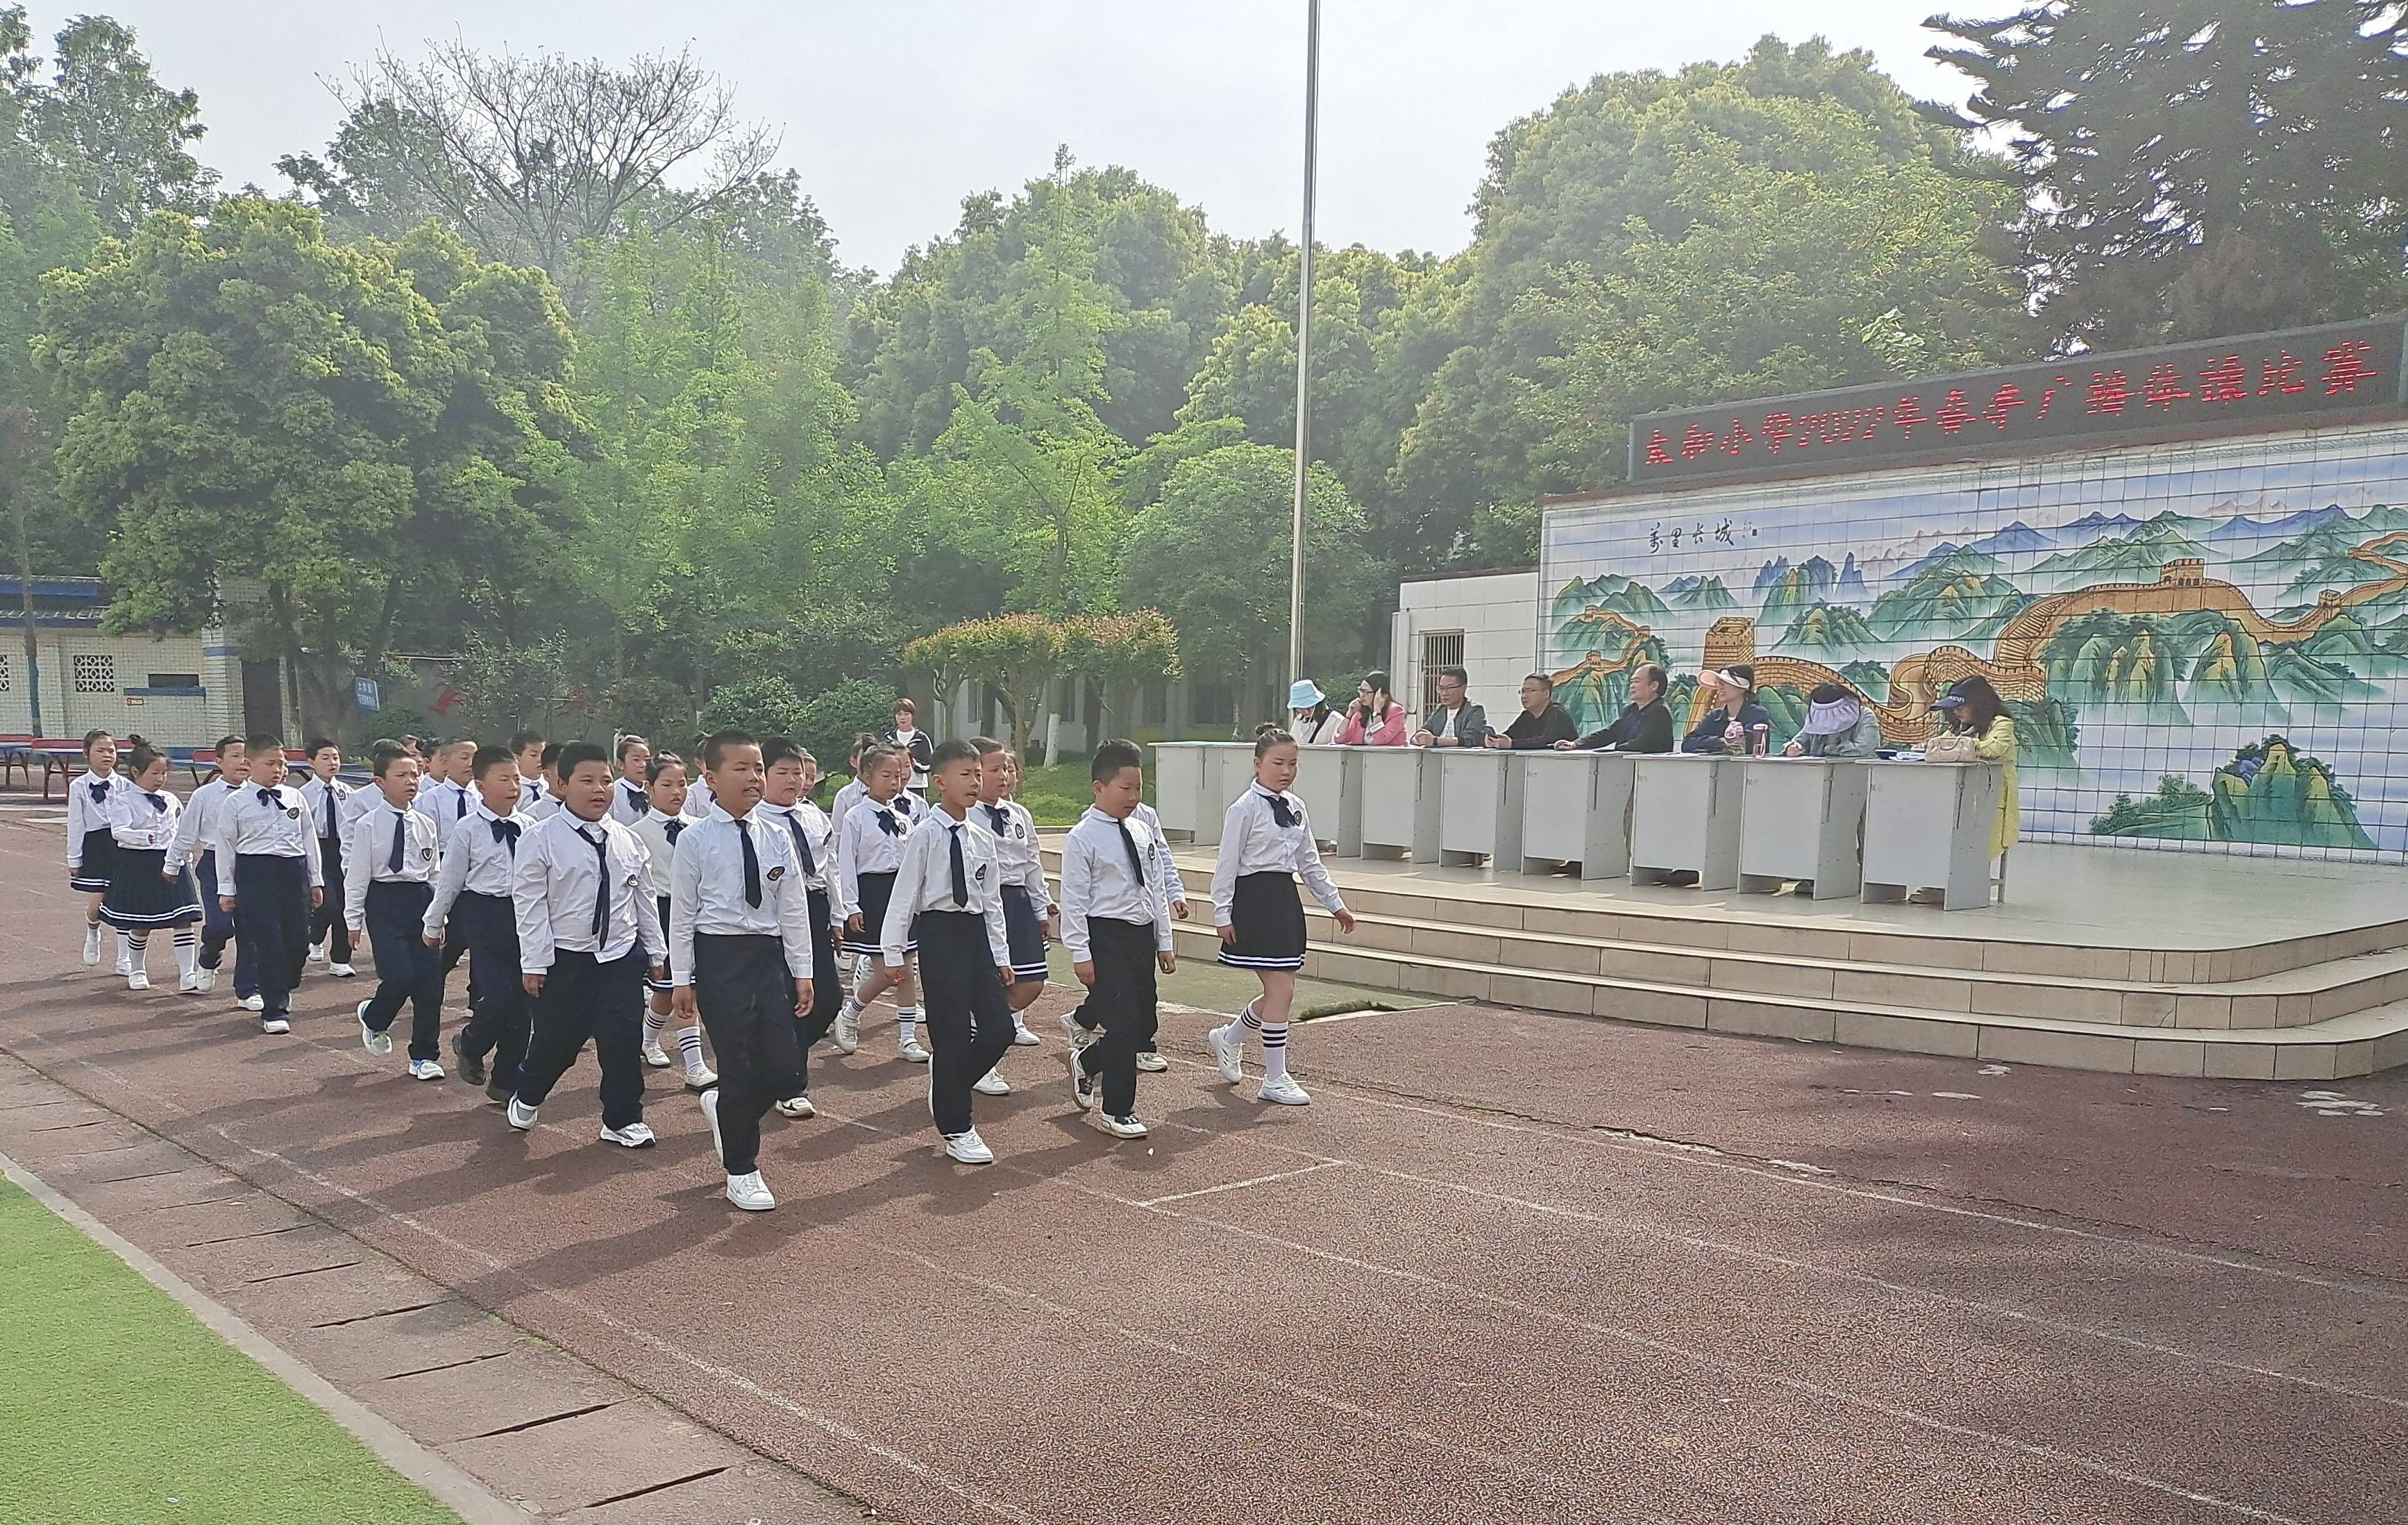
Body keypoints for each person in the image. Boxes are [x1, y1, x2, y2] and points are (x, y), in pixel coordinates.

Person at [672, 731, 816, 1211]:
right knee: (737, 1063)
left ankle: (724, 1109)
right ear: (711, 778)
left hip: (767, 956)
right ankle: (742, 1168)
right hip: (719, 957)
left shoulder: (776, 835)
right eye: (742, 768)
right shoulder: (694, 839)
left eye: (758, 768)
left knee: (782, 1068)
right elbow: (683, 913)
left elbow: (793, 906)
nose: (754, 777)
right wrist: (682, 978)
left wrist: (802, 969)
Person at [506, 739, 664, 1149]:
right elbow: (530, 904)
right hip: (566, 959)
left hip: (619, 958)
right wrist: (535, 961)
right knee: (558, 1044)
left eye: (606, 781)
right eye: (587, 781)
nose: (599, 790)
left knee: (623, 1041)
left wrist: (656, 952)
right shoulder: (540, 839)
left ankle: (622, 1117)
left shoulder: (628, 840)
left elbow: (643, 899)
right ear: (561, 784)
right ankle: (528, 1091)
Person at [1204, 727, 1357, 1106]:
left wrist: (1334, 903)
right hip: (1253, 901)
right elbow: (1227, 864)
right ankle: (1274, 1076)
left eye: (1293, 764)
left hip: (1284, 900)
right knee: (1282, 990)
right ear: (1257, 765)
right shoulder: (1244, 809)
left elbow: (1309, 862)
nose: (1286, 771)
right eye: (1278, 763)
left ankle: (1230, 1037)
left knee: (1279, 992)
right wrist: (1222, 912)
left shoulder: (1296, 807)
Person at [882, 737, 1017, 1164]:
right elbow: (903, 897)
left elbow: (991, 900)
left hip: (976, 935)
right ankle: (957, 1126)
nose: (976, 782)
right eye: (966, 775)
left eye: (979, 774)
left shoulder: (982, 837)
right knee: (952, 1034)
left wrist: (1001, 955)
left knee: (1000, 1030)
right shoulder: (925, 835)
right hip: (939, 936)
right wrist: (891, 954)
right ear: (940, 782)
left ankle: (946, 1084)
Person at [1058, 739, 1175, 1140]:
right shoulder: (1082, 837)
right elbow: (1073, 900)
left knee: (1142, 1020)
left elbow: (1154, 887)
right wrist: (1080, 952)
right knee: (1123, 1023)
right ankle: (1118, 1109)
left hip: (1141, 934)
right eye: (1125, 788)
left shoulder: (1142, 830)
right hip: (1104, 935)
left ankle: (1089, 1062)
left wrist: (1164, 941)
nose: (1133, 796)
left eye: (1138, 788)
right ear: (1099, 788)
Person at [428, 744, 537, 1104]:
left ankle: (506, 1080)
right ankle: (470, 1043)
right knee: (497, 996)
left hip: (524, 914)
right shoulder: (468, 829)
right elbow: (451, 880)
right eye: (503, 779)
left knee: (524, 1004)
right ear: (480, 784)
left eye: (516, 778)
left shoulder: (531, 828)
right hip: (483, 913)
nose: (512, 786)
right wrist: (434, 921)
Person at [344, 748, 447, 1080]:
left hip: (420, 900)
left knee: (431, 985)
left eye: (415, 774)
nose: (411, 782)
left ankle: (424, 1056)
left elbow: (435, 873)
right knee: (400, 976)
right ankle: (375, 1017)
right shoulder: (369, 825)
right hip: (383, 900)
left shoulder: (426, 823)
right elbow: (358, 874)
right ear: (380, 782)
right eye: (401, 776)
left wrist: (438, 915)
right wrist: (353, 920)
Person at [215, 733, 323, 1037]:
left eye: (282, 763)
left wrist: (315, 880)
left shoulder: (295, 797)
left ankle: (283, 983)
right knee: (269, 942)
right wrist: (226, 888)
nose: (278, 769)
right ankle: (275, 1008)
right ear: (250, 765)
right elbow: (226, 846)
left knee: (298, 942)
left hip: (293, 870)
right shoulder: (235, 803)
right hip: (255, 872)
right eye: (270, 763)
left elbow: (309, 839)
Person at [752, 736, 838, 1118]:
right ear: (764, 776)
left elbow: (832, 867)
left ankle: (781, 1059)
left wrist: (839, 913)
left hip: (814, 909)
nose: (792, 780)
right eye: (782, 772)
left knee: (828, 998)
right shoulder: (755, 822)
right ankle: (791, 1084)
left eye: (797, 772)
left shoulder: (814, 816)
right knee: (784, 999)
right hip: (772, 918)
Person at [834, 747, 927, 1061]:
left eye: (899, 776)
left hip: (900, 893)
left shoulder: (904, 818)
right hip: (871, 893)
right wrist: (851, 906)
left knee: (907, 967)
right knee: (888, 970)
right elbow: (845, 863)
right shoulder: (855, 817)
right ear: (867, 776)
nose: (895, 782)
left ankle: (907, 1038)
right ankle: (851, 1012)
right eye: (886, 775)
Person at [630, 754, 716, 1090]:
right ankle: (694, 1066)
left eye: (681, 784)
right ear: (649, 788)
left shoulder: (699, 828)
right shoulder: (637, 833)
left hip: (699, 913)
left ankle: (647, 1040)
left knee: (674, 993)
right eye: (666, 785)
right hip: (662, 912)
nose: (676, 792)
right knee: (679, 990)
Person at [99, 739, 202, 992]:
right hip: (139, 863)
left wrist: (182, 855)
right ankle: (137, 969)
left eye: (164, 773)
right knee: (141, 922)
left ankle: (188, 974)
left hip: (171, 862)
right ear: (136, 772)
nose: (160, 779)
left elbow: (180, 830)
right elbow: (119, 831)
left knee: (183, 917)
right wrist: (145, 837)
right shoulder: (124, 800)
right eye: (154, 773)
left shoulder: (171, 799)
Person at [973, 738, 1052, 1050]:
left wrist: (1041, 907)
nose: (1004, 775)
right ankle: (982, 1043)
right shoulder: (967, 816)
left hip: (1017, 902)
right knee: (989, 978)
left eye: (1008, 769)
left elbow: (1032, 862)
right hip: (984, 903)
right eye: (995, 769)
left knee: (1031, 982)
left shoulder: (1020, 814)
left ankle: (995, 1026)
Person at [165, 735, 248, 999]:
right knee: (222, 925)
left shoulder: (260, 794)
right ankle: (209, 959)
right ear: (219, 761)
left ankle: (248, 989)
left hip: (252, 864)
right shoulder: (205, 795)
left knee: (252, 929)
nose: (242, 761)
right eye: (235, 756)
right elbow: (186, 834)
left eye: (246, 756)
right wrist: (172, 863)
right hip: (214, 862)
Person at [1933, 675, 2019, 861]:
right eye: (1954, 708)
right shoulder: (1960, 727)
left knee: (1982, 847)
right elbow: (1941, 745)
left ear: (1979, 704)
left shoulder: (2002, 723)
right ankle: (1938, 888)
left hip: (1992, 795)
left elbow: (1995, 748)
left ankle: (1970, 885)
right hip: (1962, 794)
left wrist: (1962, 745)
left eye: (1961, 706)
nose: (1957, 712)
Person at [302, 738, 358, 978]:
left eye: (335, 757)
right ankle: (314, 936)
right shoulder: (303, 795)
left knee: (347, 903)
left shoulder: (348, 792)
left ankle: (340, 959)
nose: (332, 762)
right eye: (325, 758)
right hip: (317, 848)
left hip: (344, 848)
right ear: (311, 762)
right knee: (328, 903)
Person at [66, 729, 119, 970]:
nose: (107, 755)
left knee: (125, 903)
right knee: (97, 902)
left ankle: (126, 957)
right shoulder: (79, 786)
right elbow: (76, 824)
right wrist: (74, 859)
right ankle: (93, 932)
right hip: (96, 846)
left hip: (122, 845)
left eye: (111, 750)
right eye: (100, 751)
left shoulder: (126, 785)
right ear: (87, 754)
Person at [1557, 662, 1676, 752]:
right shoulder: (1631, 710)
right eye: (1631, 682)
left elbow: (1644, 743)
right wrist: (1576, 744)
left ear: (1654, 686)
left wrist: (1611, 753)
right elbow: (1610, 733)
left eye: (1637, 682)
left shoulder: (1660, 711)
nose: (1632, 686)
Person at [1681, 666, 1771, 755]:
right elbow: (1687, 744)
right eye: (1719, 683)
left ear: (1742, 687)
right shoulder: (1714, 716)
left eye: (1725, 683)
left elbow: (1749, 744)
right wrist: (1720, 742)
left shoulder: (1758, 714)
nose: (1720, 687)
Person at [1783, 683, 1885, 758]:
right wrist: (1792, 749)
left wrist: (1832, 749)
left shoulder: (1866, 716)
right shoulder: (1816, 717)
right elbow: (1801, 740)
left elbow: (1864, 748)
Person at [1483, 671, 1578, 750]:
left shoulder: (1558, 714)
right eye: (1523, 691)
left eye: (1531, 691)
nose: (1524, 696)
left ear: (1546, 693)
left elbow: (1545, 741)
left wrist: (1512, 744)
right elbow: (1510, 735)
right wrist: (1495, 741)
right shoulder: (1526, 716)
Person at [1413, 666, 1490, 748]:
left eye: (1450, 688)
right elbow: (1424, 731)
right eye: (1441, 688)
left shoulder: (1474, 710)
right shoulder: (1440, 709)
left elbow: (1470, 739)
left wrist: (1436, 741)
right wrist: (1418, 739)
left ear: (1464, 688)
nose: (1444, 693)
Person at [1335, 672, 1408, 746]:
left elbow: (1380, 740)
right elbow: (1339, 739)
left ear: (1379, 694)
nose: (1362, 695)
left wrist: (1377, 711)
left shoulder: (1396, 711)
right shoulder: (1360, 714)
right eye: (1361, 691)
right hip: (1364, 757)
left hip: (1388, 757)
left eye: (1366, 692)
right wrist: (1349, 715)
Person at [884, 698, 934, 798]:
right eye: (899, 714)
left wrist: (915, 765)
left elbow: (930, 764)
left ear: (913, 716)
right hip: (892, 785)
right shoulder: (889, 738)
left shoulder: (921, 738)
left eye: (906, 714)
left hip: (916, 786)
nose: (903, 718)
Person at [610, 734, 653, 825]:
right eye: (636, 760)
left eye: (647, 760)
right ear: (621, 764)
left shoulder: (655, 789)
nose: (643, 765)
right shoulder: (613, 793)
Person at [1288, 680, 1345, 745]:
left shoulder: (1336, 719)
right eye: (1298, 707)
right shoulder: (1299, 720)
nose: (1303, 711)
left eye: (1307, 706)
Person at [510, 730, 548, 814]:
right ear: (517, 758)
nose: (541, 760)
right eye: (534, 755)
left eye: (543, 755)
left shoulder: (551, 784)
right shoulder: (510, 787)